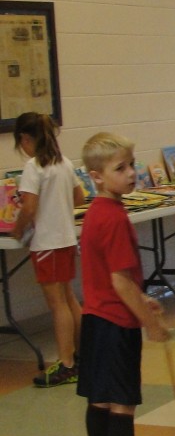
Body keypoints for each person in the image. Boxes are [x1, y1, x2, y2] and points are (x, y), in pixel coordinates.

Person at [77, 132, 175, 436]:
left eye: (131, 165)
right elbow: (120, 281)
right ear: (96, 176)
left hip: (95, 320)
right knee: (122, 404)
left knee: (99, 398)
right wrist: (149, 323)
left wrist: (142, 297)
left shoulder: (95, 213)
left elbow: (110, 278)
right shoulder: (115, 218)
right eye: (121, 168)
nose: (131, 174)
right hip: (116, 325)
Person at [11, 112, 86, 388]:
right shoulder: (64, 163)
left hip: (47, 243)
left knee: (57, 305)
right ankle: (82, 356)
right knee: (69, 298)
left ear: (25, 139)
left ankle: (66, 364)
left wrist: (18, 228)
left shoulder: (34, 166)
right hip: (66, 239)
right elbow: (80, 197)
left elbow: (28, 207)